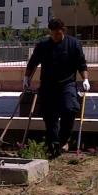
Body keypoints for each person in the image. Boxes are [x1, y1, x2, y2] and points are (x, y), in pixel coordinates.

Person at [23, 18, 90, 158]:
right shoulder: (43, 45)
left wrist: (85, 79)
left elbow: (81, 64)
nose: (55, 37)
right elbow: (33, 63)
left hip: (67, 84)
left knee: (70, 109)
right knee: (49, 116)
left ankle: (63, 140)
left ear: (63, 31)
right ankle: (53, 145)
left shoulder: (73, 44)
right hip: (48, 85)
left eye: (57, 34)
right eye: (52, 34)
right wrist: (26, 78)